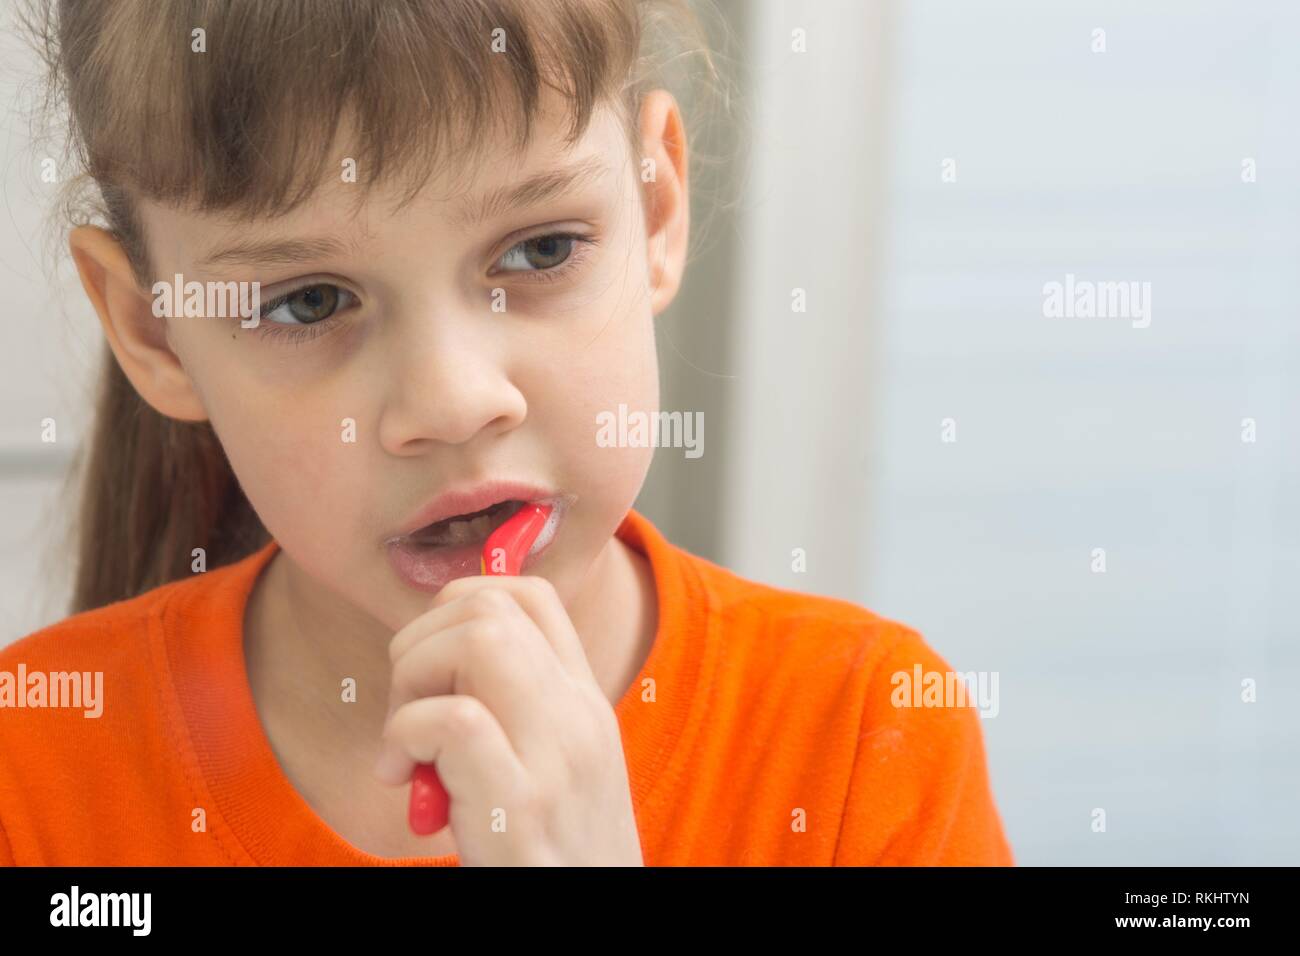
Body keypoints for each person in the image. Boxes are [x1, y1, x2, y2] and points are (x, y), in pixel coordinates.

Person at [0, 0, 1014, 866]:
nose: (453, 400)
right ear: (152, 330)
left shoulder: (860, 742)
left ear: (655, 206)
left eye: (539, 247)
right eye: (308, 302)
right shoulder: (36, 762)